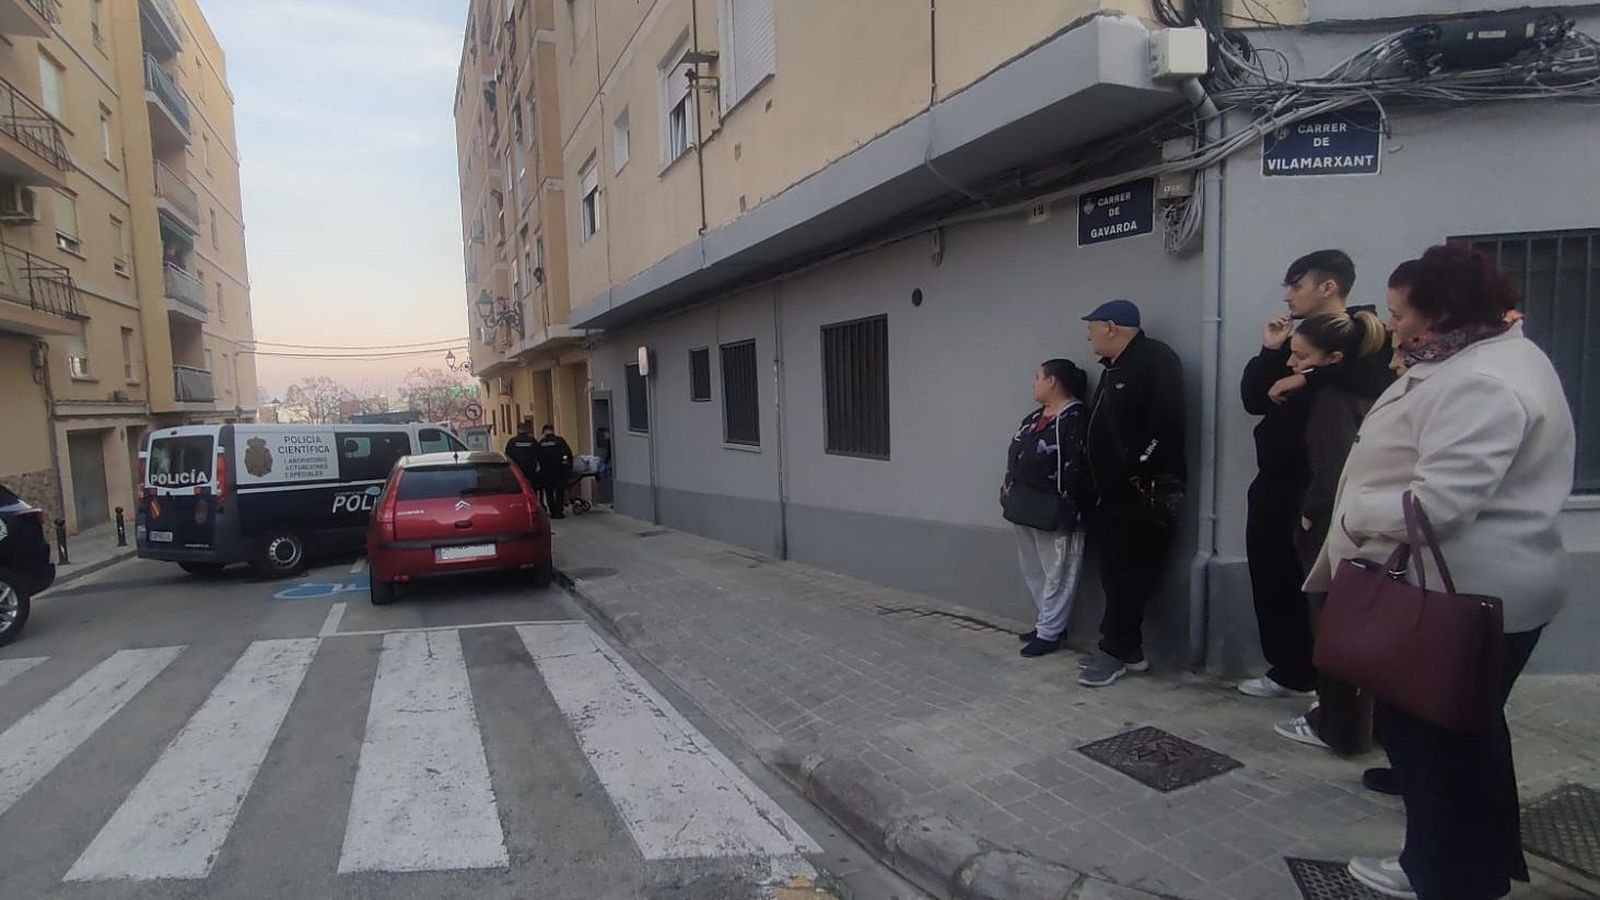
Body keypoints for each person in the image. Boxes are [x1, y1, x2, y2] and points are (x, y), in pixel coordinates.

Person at [1304, 245, 1576, 900]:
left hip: (1453, 596)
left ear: (1442, 312)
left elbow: (1438, 506)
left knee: (1441, 743)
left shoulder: (1483, 381)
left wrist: (1354, 512)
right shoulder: (1474, 355)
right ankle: (1474, 855)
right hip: (1464, 589)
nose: (1391, 325)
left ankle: (1447, 873)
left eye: (1399, 313)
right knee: (1463, 732)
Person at [1237, 250, 1395, 701]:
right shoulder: (1292, 338)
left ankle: (1331, 692)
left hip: (1318, 489)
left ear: (1328, 287)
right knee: (1272, 577)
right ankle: (1289, 670)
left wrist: (1308, 379)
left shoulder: (1367, 337)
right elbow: (1254, 398)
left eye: (1296, 285)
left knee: (1319, 591)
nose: (1288, 295)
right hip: (1275, 482)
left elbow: (1371, 378)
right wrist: (1271, 350)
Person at [1262, 309, 1389, 756]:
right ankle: (1361, 723)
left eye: (1300, 357)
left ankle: (1337, 726)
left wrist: (1311, 513)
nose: (1292, 365)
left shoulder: (1332, 399)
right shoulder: (1367, 387)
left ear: (1333, 357)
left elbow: (1334, 466)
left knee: (1332, 626)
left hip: (1335, 525)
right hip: (1364, 523)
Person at [1076, 299, 1186, 688]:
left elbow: (1166, 423)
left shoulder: (1155, 359)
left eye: (1091, 330)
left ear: (1111, 326)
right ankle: (1130, 651)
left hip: (1145, 494)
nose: (1088, 339)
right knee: (1115, 572)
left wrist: (1137, 468)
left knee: (1130, 573)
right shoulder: (1114, 369)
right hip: (1113, 496)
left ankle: (1115, 651)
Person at [1001, 359, 1091, 658]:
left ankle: (1051, 632)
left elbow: (1076, 466)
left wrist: (1069, 505)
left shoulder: (1074, 417)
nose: (1034, 383)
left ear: (1053, 381)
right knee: (1034, 567)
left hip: (1056, 509)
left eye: (1038, 377)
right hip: (1024, 504)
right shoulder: (1035, 417)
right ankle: (1047, 623)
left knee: (1059, 570)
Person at [535, 424, 574, 518]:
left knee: (549, 492)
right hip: (559, 471)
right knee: (559, 491)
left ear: (544, 432)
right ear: (553, 430)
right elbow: (567, 454)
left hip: (546, 472)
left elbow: (537, 457)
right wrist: (567, 466)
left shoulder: (541, 443)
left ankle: (552, 511)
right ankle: (559, 512)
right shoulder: (560, 441)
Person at [504, 423, 541, 488]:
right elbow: (539, 454)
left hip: (517, 470)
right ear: (527, 430)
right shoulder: (532, 441)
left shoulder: (512, 441)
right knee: (531, 487)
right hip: (530, 470)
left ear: (518, 430)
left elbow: (507, 456)